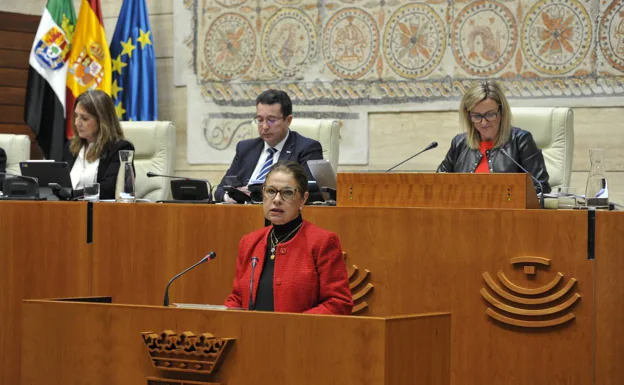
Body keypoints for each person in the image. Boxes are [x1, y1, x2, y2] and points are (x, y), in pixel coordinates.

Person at [224, 161, 353, 314]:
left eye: (287, 193)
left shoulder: (322, 242)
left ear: (303, 199)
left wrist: (293, 327)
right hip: (252, 335)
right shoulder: (249, 242)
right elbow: (237, 298)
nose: (277, 199)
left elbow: (338, 303)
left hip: (300, 336)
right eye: (271, 191)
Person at [437, 80, 551, 194]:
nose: (484, 123)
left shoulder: (521, 141)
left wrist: (506, 196)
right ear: (469, 116)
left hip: (507, 211)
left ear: (501, 112)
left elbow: (541, 188)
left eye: (490, 114)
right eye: (477, 116)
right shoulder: (460, 143)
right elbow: (437, 183)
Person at [214, 89, 323, 202]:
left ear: (288, 120)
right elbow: (220, 190)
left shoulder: (306, 149)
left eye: (271, 120)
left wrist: (261, 193)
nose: (265, 126)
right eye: (260, 120)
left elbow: (313, 192)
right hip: (242, 214)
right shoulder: (245, 148)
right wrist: (234, 198)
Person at [63, 90, 135, 200]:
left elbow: (108, 190)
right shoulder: (71, 146)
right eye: (76, 116)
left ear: (102, 121)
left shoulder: (119, 149)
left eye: (84, 118)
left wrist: (70, 194)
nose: (77, 123)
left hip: (100, 213)